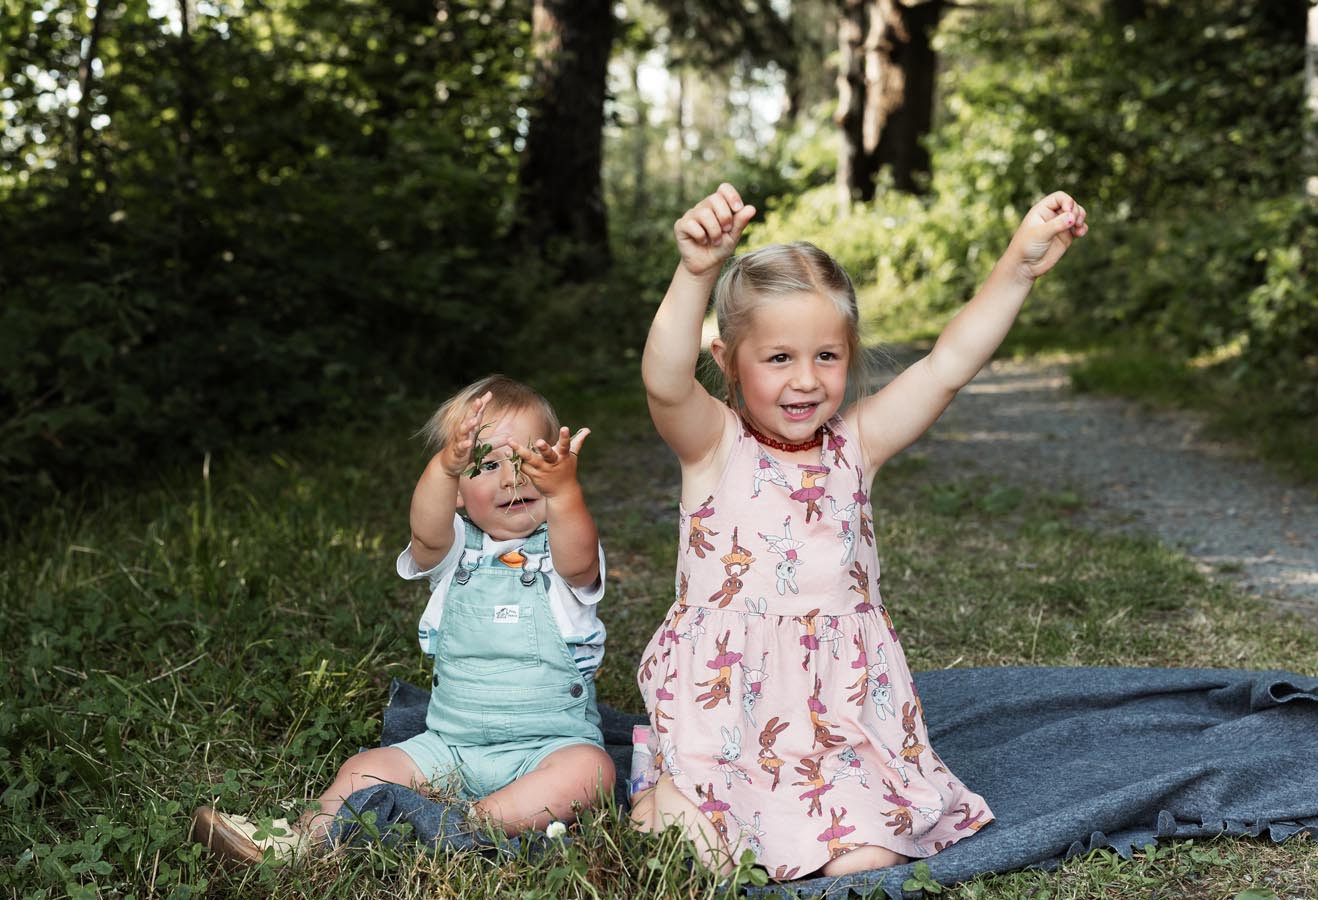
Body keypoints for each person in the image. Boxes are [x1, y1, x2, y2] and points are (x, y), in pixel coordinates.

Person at [628, 183, 1087, 880]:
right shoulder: (713, 445)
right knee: (713, 856)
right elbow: (664, 381)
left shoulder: (856, 443)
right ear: (727, 361)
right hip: (726, 720)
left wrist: (1017, 267)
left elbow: (947, 366)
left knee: (870, 856)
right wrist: (696, 271)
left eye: (827, 357)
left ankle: (802, 811)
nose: (805, 381)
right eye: (778, 358)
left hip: (840, 721)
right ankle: (669, 795)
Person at [193, 375, 615, 864]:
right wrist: (443, 467)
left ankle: (468, 823)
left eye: (528, 461)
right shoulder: (456, 550)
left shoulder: (560, 553)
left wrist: (565, 495)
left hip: (548, 747)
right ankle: (297, 840)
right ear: (458, 491)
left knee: (593, 772)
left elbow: (579, 561)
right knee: (365, 766)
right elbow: (426, 532)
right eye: (488, 464)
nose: (511, 477)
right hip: (450, 747)